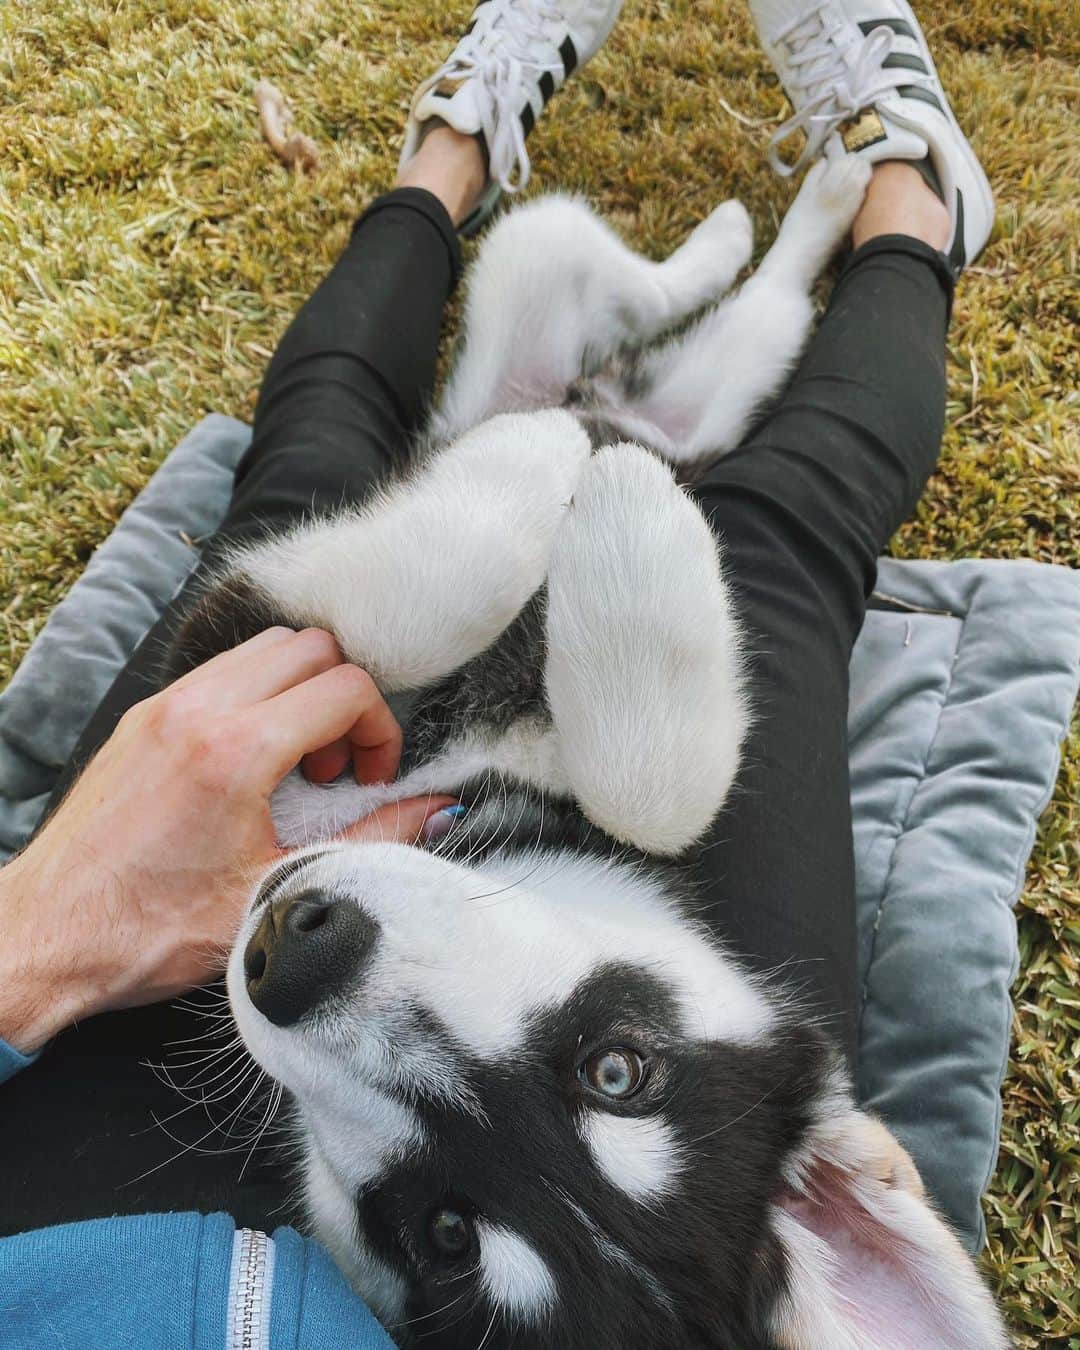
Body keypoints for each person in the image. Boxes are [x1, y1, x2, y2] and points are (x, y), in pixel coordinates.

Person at [0, 0, 994, 1344]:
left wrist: (34, 939)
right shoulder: (768, 1189)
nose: (369, 993)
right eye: (615, 1067)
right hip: (592, 888)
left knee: (298, 483)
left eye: (455, 1236)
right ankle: (915, 200)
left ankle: (446, 154)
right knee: (773, 555)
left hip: (60, 1210)